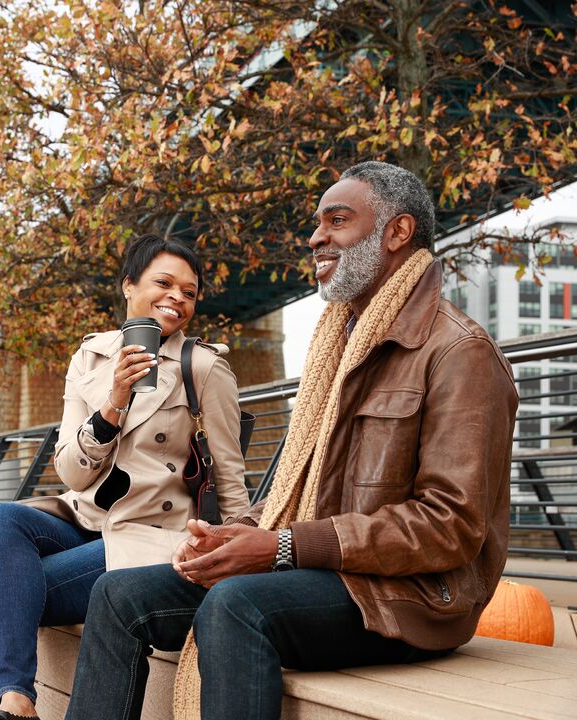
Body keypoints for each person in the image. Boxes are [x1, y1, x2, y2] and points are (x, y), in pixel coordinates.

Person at [64, 162, 519, 720]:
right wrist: (241, 533)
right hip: (322, 570)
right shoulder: (338, 345)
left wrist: (283, 547)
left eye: (337, 221)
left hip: (409, 598)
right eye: (317, 223)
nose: (315, 237)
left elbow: (450, 527)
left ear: (398, 234)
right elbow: (299, 492)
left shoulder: (458, 353)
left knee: (234, 605)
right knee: (116, 595)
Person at [0, 234, 250, 720]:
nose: (177, 299)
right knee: (3, 520)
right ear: (128, 287)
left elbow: (228, 474)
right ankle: (15, 698)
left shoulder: (203, 367)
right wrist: (113, 402)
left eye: (189, 292)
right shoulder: (91, 358)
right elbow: (69, 473)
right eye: (163, 283)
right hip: (87, 515)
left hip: (148, 533)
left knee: (1, 597)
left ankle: (11, 704)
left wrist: (237, 550)